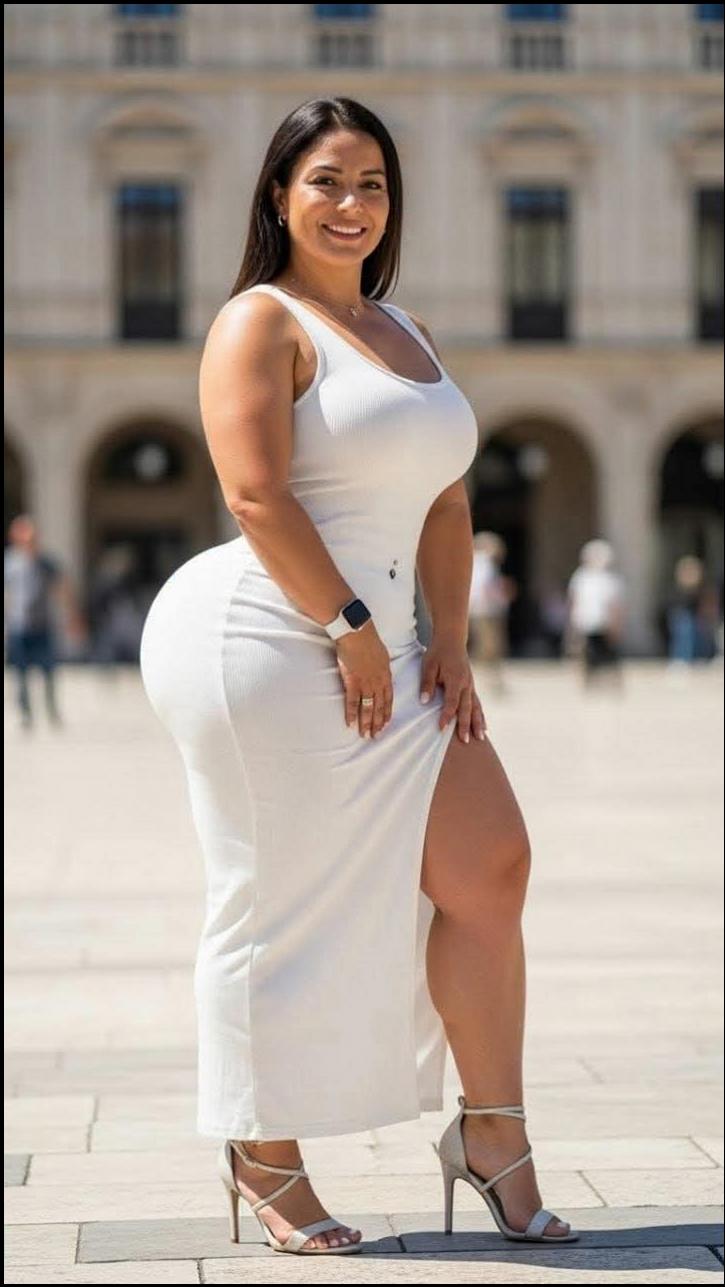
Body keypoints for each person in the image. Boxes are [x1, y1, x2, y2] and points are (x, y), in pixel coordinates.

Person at [139, 97, 577, 1255]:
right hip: (269, 636)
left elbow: (442, 494)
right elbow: (255, 497)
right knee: (273, 897)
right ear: (280, 196)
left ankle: (491, 1135)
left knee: (491, 865)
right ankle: (262, 1151)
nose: (350, 204)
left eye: (372, 183)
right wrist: (346, 625)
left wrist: (445, 640)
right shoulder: (257, 321)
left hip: (390, 642)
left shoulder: (405, 330)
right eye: (325, 181)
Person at [4, 514, 86, 728]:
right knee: (20, 673)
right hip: (18, 627)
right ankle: (26, 714)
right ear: (16, 537)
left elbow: (63, 590)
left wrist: (73, 619)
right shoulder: (10, 563)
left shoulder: (47, 563)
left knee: (48, 671)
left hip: (43, 626)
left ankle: (51, 711)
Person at [566, 539, 626, 687]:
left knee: (607, 653)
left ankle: (609, 681)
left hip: (604, 623)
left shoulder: (610, 579)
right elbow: (574, 600)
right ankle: (589, 680)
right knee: (586, 653)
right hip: (585, 622)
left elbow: (615, 605)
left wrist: (616, 624)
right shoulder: (581, 577)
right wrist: (572, 623)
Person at [467, 531, 516, 692]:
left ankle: (490, 680)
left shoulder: (475, 562)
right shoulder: (484, 562)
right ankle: (487, 681)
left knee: (485, 647)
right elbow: (485, 587)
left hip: (480, 610)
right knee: (489, 648)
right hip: (487, 612)